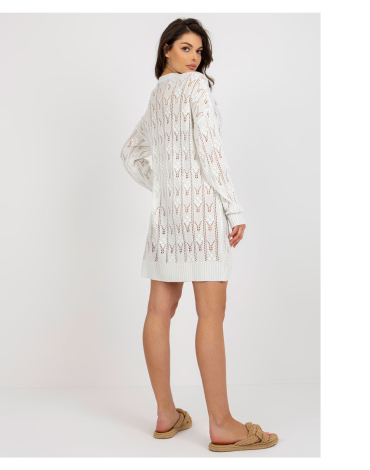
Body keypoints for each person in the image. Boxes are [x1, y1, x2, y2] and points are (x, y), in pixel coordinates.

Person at [120, 18, 278, 452]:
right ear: (166, 48)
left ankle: (166, 415)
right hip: (202, 212)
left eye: (199, 51)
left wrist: (164, 186)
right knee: (210, 315)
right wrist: (233, 206)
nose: (195, 57)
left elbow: (130, 154)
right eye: (186, 48)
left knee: (158, 311)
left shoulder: (158, 95)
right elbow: (211, 150)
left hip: (166, 217)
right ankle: (222, 425)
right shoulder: (195, 87)